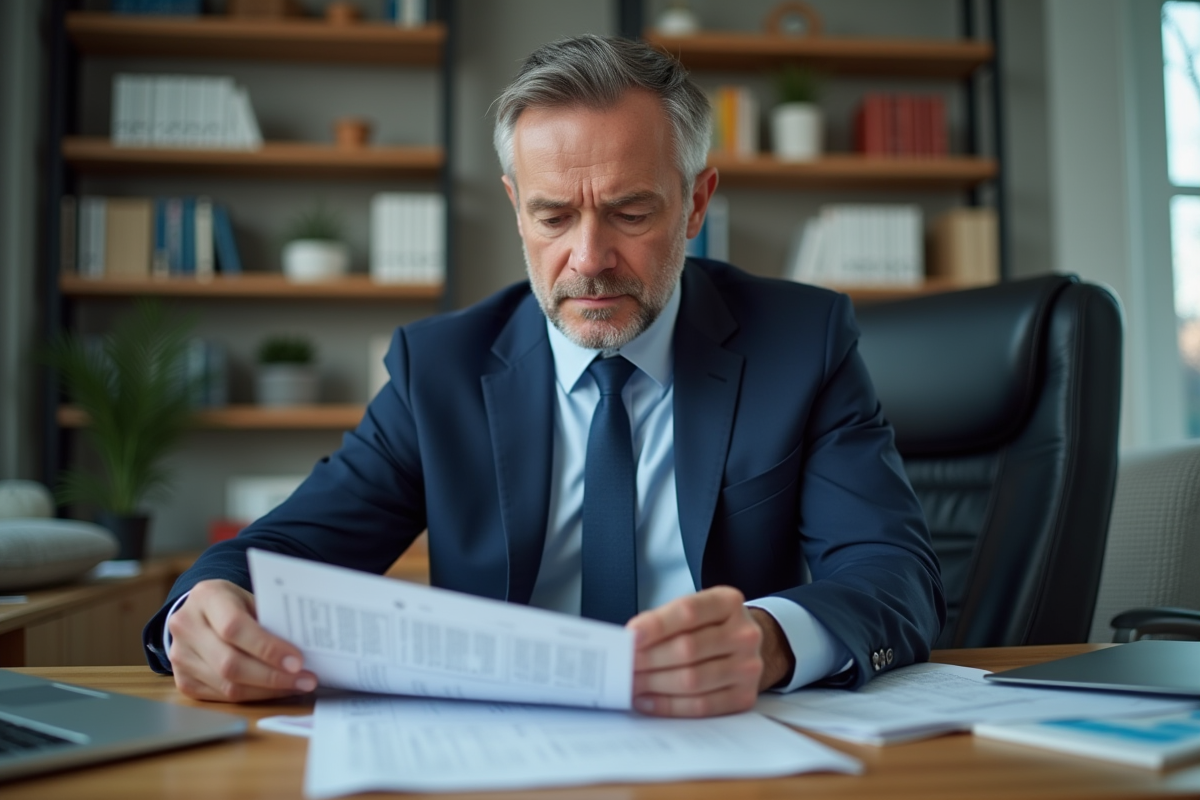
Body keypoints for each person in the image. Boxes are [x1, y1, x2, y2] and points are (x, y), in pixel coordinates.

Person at [143, 34, 944, 718]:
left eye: (631, 212)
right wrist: (202, 614)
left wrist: (768, 643)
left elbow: (894, 573)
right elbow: (282, 548)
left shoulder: (801, 342)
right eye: (553, 216)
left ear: (696, 204)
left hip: (727, 744)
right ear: (515, 205)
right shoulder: (441, 370)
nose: (589, 260)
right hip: (498, 750)